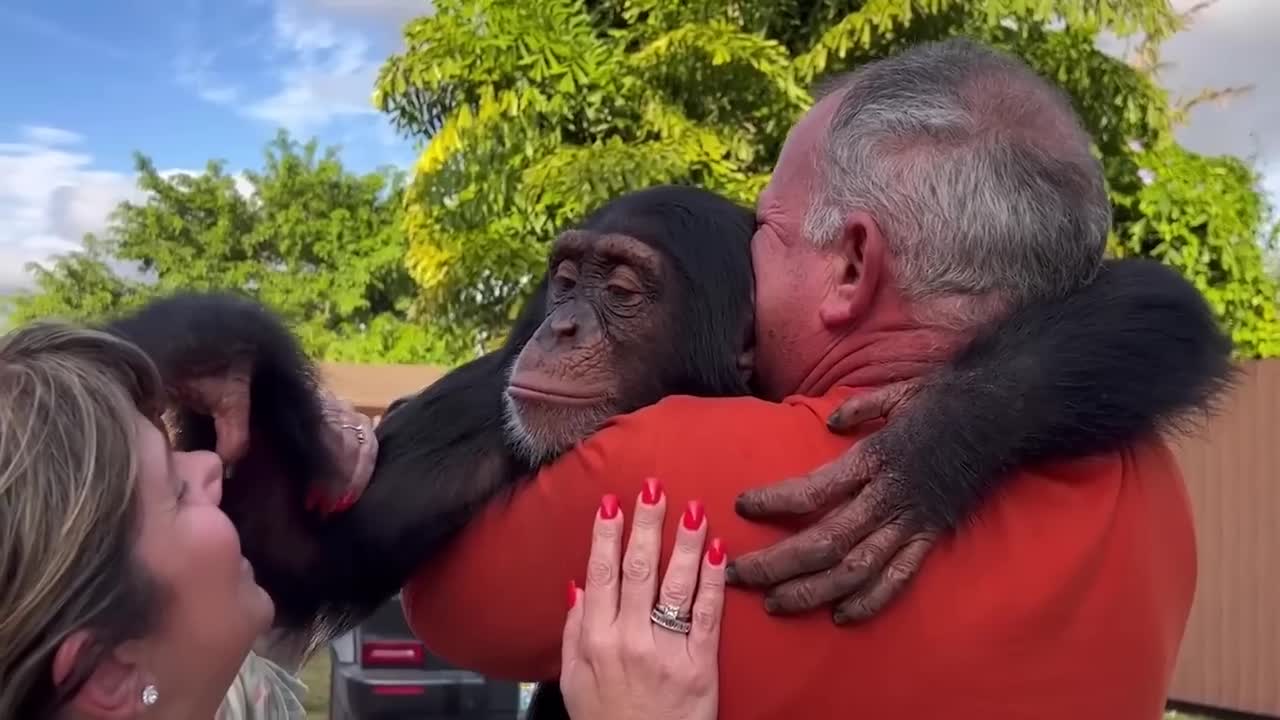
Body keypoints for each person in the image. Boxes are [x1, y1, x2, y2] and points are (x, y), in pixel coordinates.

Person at [398, 38, 1197, 720]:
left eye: (767, 228)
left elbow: (444, 604)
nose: (745, 257)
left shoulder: (666, 475)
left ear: (851, 265)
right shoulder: (1151, 483)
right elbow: (1154, 312)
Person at [0, 321, 724, 720]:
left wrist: (265, 385)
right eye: (176, 492)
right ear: (110, 673)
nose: (207, 467)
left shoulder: (235, 694)